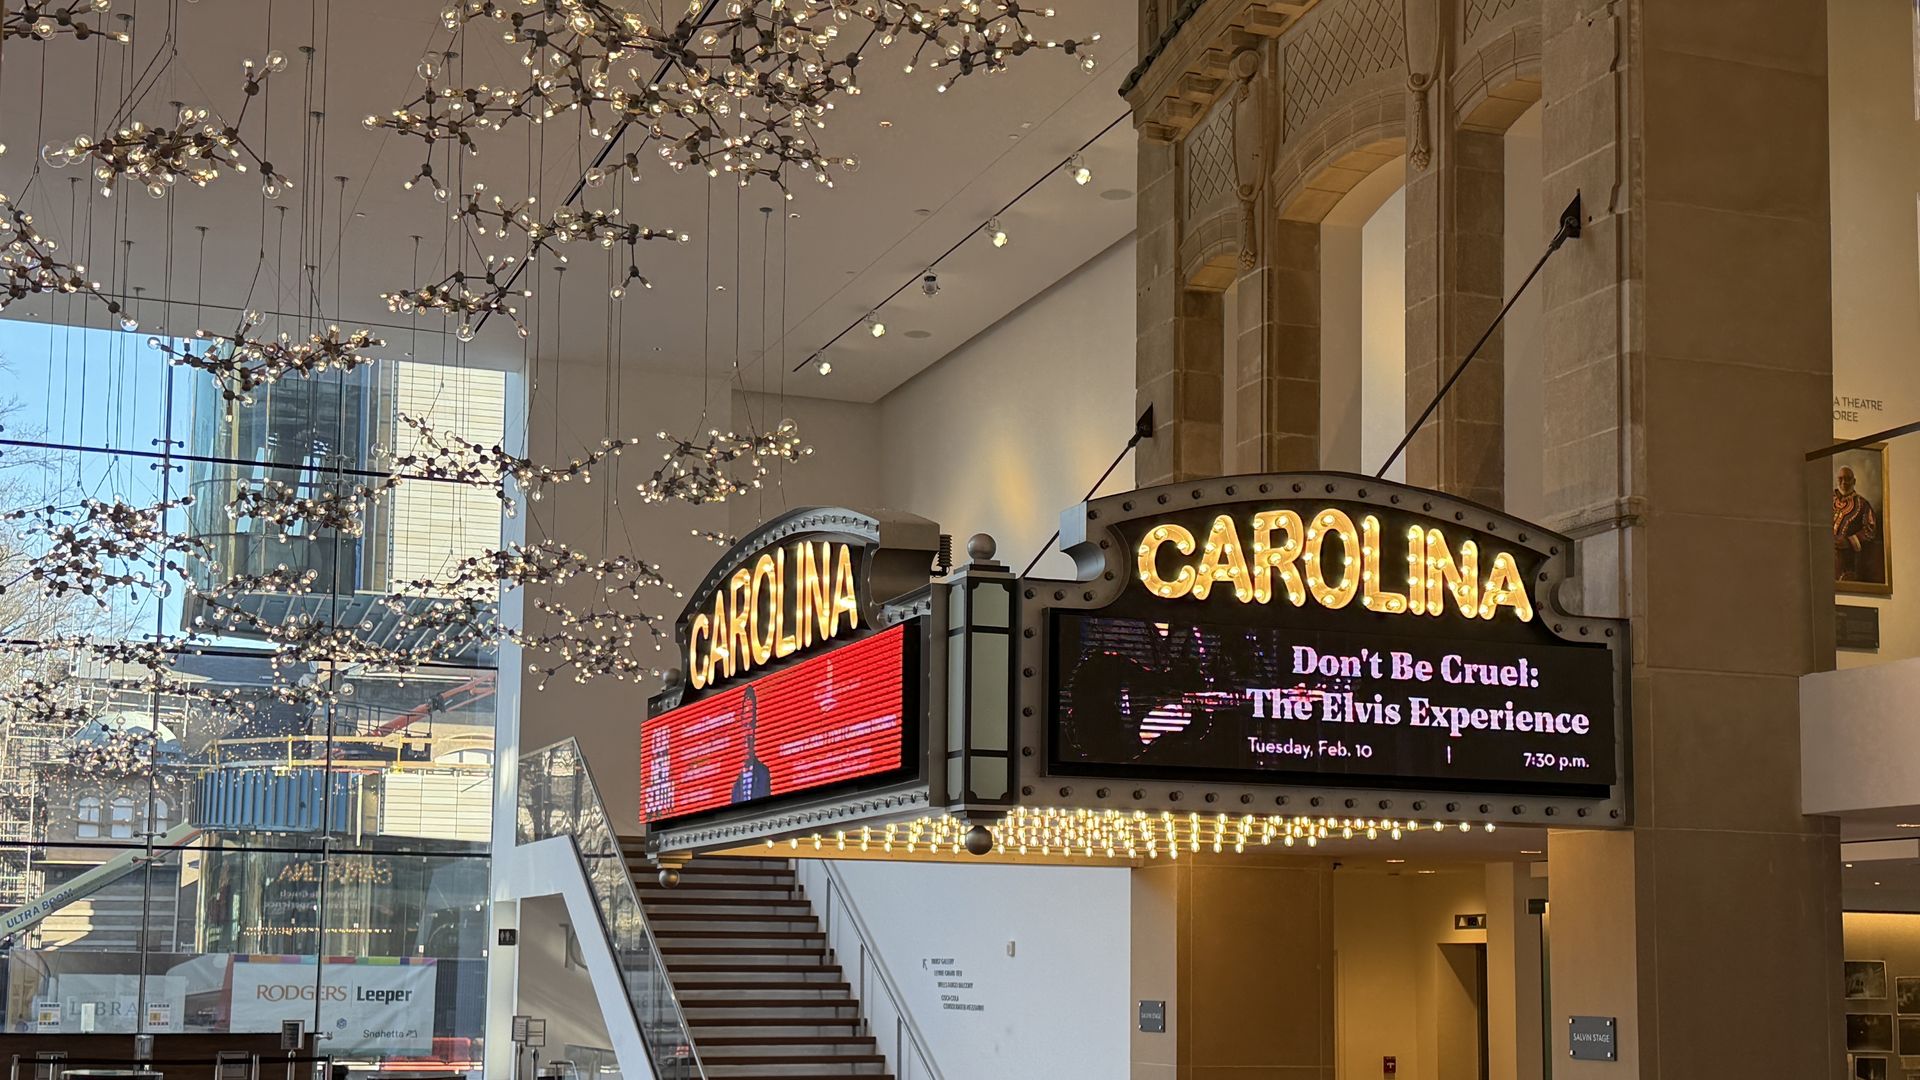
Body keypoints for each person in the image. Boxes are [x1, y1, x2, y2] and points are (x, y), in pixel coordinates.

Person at [1835, 465, 1882, 583]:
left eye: (1847, 478)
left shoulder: (1863, 504)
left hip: (1847, 562)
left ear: (1854, 481)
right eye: (1840, 479)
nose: (1844, 482)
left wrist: (1849, 541)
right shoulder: (1828, 500)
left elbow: (1870, 530)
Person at [730, 686, 772, 804]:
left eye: (751, 724)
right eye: (745, 725)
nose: (748, 735)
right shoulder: (735, 787)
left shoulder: (764, 774)